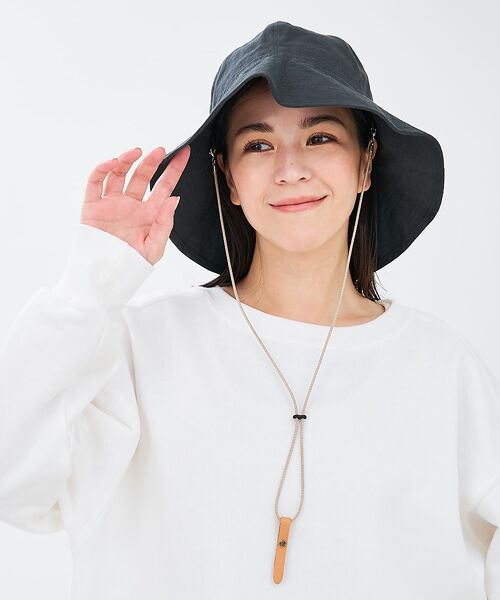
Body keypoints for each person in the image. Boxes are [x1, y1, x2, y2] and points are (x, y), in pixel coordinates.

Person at [0, 20, 499, 600]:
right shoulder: (140, 349)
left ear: (366, 163)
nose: (290, 168)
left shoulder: (442, 367)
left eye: (320, 138)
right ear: (229, 178)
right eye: (258, 145)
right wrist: (92, 285)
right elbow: (14, 484)